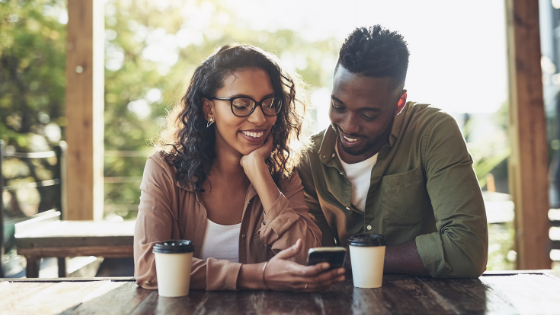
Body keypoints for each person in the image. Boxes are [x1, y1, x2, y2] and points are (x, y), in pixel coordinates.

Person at [134, 44, 345, 291]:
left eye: (269, 103)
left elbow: (307, 263)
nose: (259, 118)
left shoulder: (282, 175)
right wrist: (259, 275)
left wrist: (261, 176)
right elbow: (150, 268)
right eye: (241, 104)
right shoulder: (164, 170)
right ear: (209, 107)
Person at [298, 26, 488, 278]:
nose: (349, 126)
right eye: (338, 106)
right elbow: (320, 259)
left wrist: (357, 260)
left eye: (368, 114)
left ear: (399, 103)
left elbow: (467, 251)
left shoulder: (432, 132)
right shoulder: (310, 159)